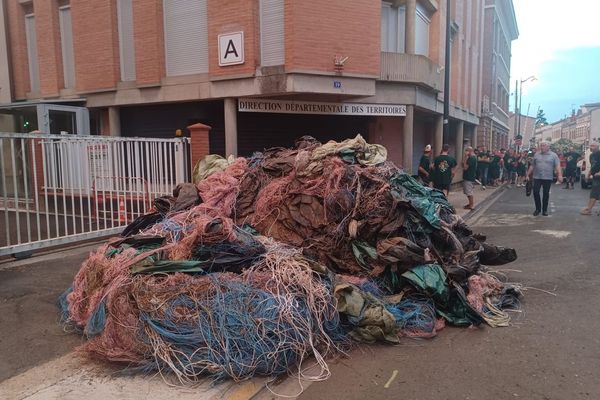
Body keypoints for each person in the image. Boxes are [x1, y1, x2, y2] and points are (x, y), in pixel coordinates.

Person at [526, 141, 562, 216]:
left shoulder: (554, 155)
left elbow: (557, 166)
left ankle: (544, 210)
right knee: (535, 192)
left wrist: (559, 175)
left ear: (548, 147)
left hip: (547, 177)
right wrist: (527, 174)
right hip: (537, 177)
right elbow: (532, 165)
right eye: (541, 145)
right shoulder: (536, 154)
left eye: (543, 146)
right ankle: (537, 209)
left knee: (546, 194)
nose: (541, 147)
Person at [580, 142, 600, 215]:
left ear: (598, 147)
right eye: (590, 146)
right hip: (595, 176)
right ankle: (589, 208)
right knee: (596, 193)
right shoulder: (591, 155)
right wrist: (589, 173)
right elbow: (593, 165)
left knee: (594, 193)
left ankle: (589, 210)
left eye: (593, 146)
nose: (591, 147)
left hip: (598, 177)